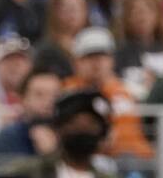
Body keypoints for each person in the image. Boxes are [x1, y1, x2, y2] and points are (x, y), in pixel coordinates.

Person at [61, 27, 153, 159]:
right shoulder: (68, 93)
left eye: (102, 56)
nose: (96, 62)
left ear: (111, 60)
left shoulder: (129, 89)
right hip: (91, 159)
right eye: (89, 57)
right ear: (76, 62)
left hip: (139, 158)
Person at [5, 90, 114, 178]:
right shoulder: (27, 172)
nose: (82, 130)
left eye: (90, 126)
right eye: (74, 124)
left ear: (102, 132)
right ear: (59, 129)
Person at [0, 69, 63, 157]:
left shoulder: (68, 135)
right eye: (39, 94)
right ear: (23, 99)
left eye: (55, 95)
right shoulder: (8, 138)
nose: (49, 101)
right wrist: (49, 156)